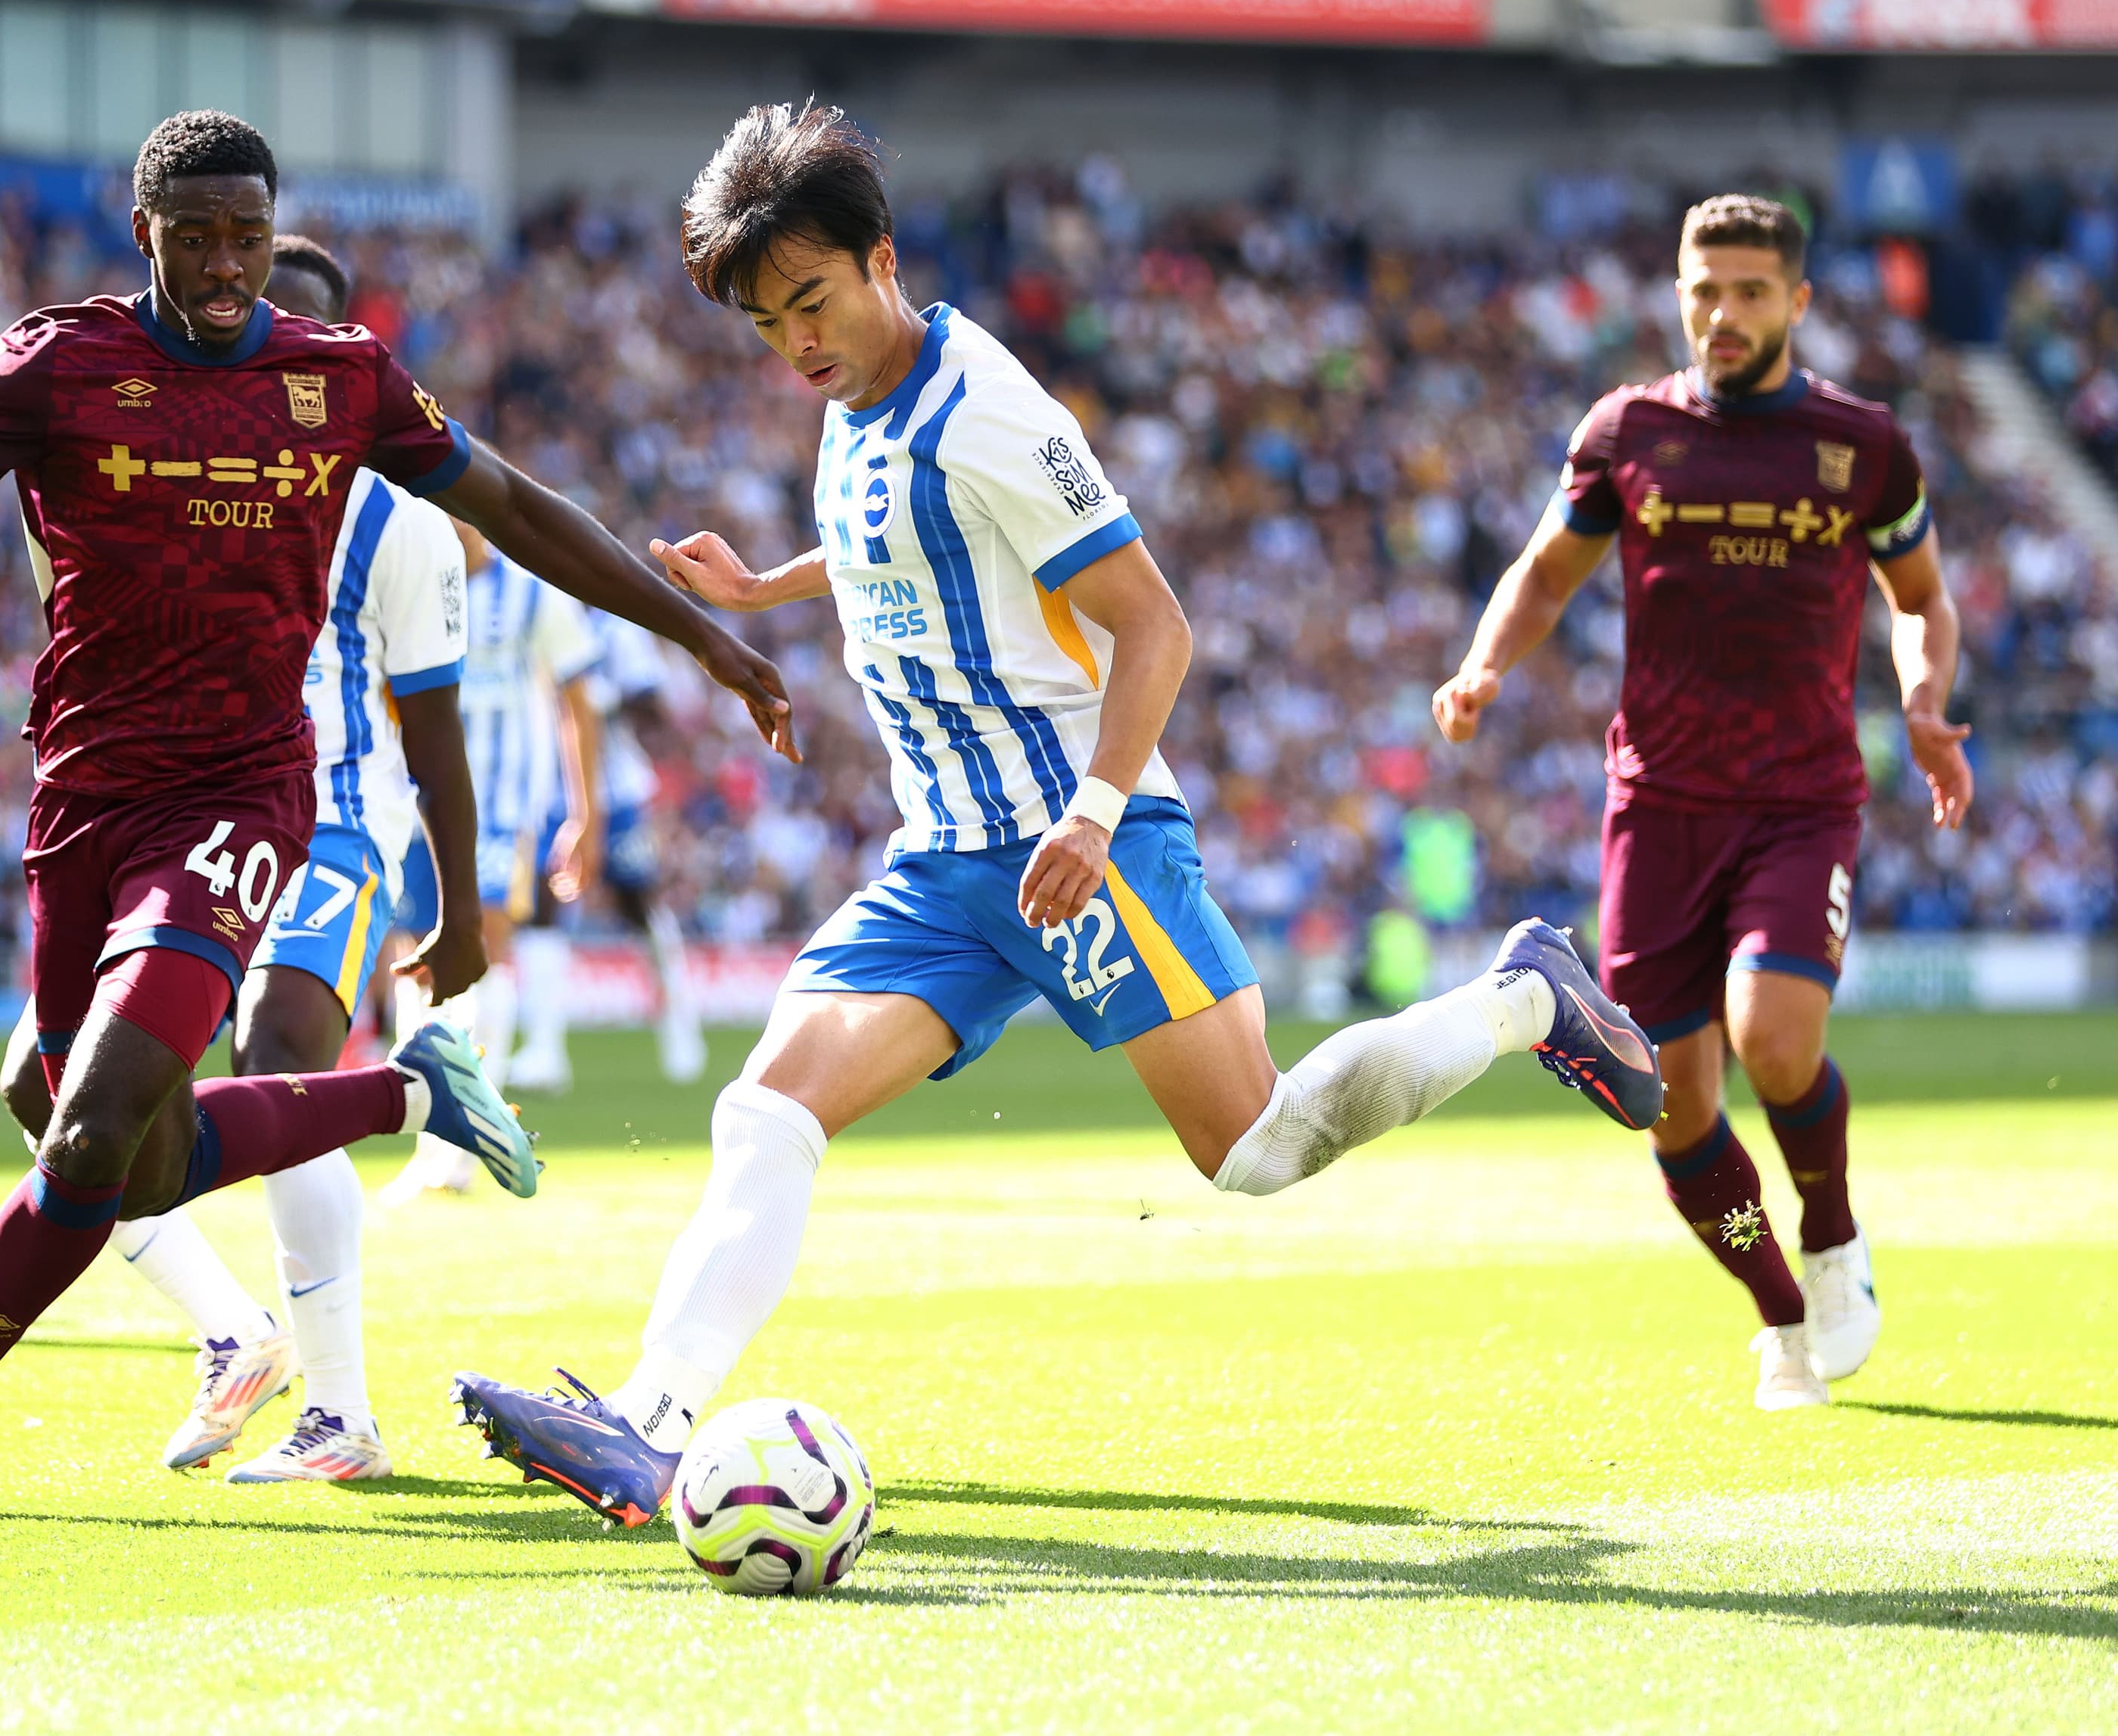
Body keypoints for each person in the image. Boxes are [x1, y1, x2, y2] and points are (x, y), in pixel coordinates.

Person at [0, 111, 793, 1522]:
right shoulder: (57, 366)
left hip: (243, 796)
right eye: (194, 232)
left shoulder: (340, 377)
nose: (221, 261)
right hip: (83, 803)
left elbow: (519, 508)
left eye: (246, 235)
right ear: (146, 231)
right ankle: (404, 1094)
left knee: (87, 1137)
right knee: (113, 1141)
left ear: (272, 236)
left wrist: (707, 637)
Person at [452, 102, 1667, 1526]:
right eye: (767, 322)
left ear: (882, 258)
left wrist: (1091, 819)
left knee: (1256, 1150)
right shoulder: (857, 409)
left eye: (812, 301)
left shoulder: (993, 411)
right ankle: (651, 1428)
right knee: (766, 1109)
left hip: (1079, 849)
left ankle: (1528, 998)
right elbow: (900, 552)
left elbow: (1157, 628)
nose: (796, 342)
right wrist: (762, 593)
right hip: (947, 866)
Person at [1435, 193, 1968, 1410]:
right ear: (1676, 290)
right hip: (1658, 804)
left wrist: (1926, 703)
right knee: (1672, 1107)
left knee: (1774, 1040)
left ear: (1799, 303)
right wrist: (1484, 665)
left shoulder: (1861, 443)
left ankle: (1831, 1244)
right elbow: (1545, 569)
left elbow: (1922, 599)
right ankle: (1782, 1316)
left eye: (1748, 292)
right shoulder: (1628, 429)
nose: (1719, 314)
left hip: (1801, 795)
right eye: (1700, 289)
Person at [0, 236, 487, 1483]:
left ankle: (343, 1416)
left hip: (330, 825)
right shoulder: (164, 473)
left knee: (279, 1054)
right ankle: (230, 1331)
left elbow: (437, 724)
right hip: (175, 811)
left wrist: (464, 908)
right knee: (48, 1093)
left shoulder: (403, 522)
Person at [375, 527, 602, 1200]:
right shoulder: (405, 585)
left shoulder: (533, 593)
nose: (448, 520)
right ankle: (430, 1140)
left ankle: (473, 1143)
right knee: (416, 963)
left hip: (501, 806)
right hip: (413, 803)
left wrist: (585, 813)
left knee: (482, 947)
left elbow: (579, 707)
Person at [509, 612, 710, 1094]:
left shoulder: (616, 628)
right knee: (541, 910)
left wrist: (603, 699)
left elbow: (650, 700)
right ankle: (544, 1046)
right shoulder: (528, 612)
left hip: (615, 792)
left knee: (639, 906)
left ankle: (679, 1022)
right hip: (543, 792)